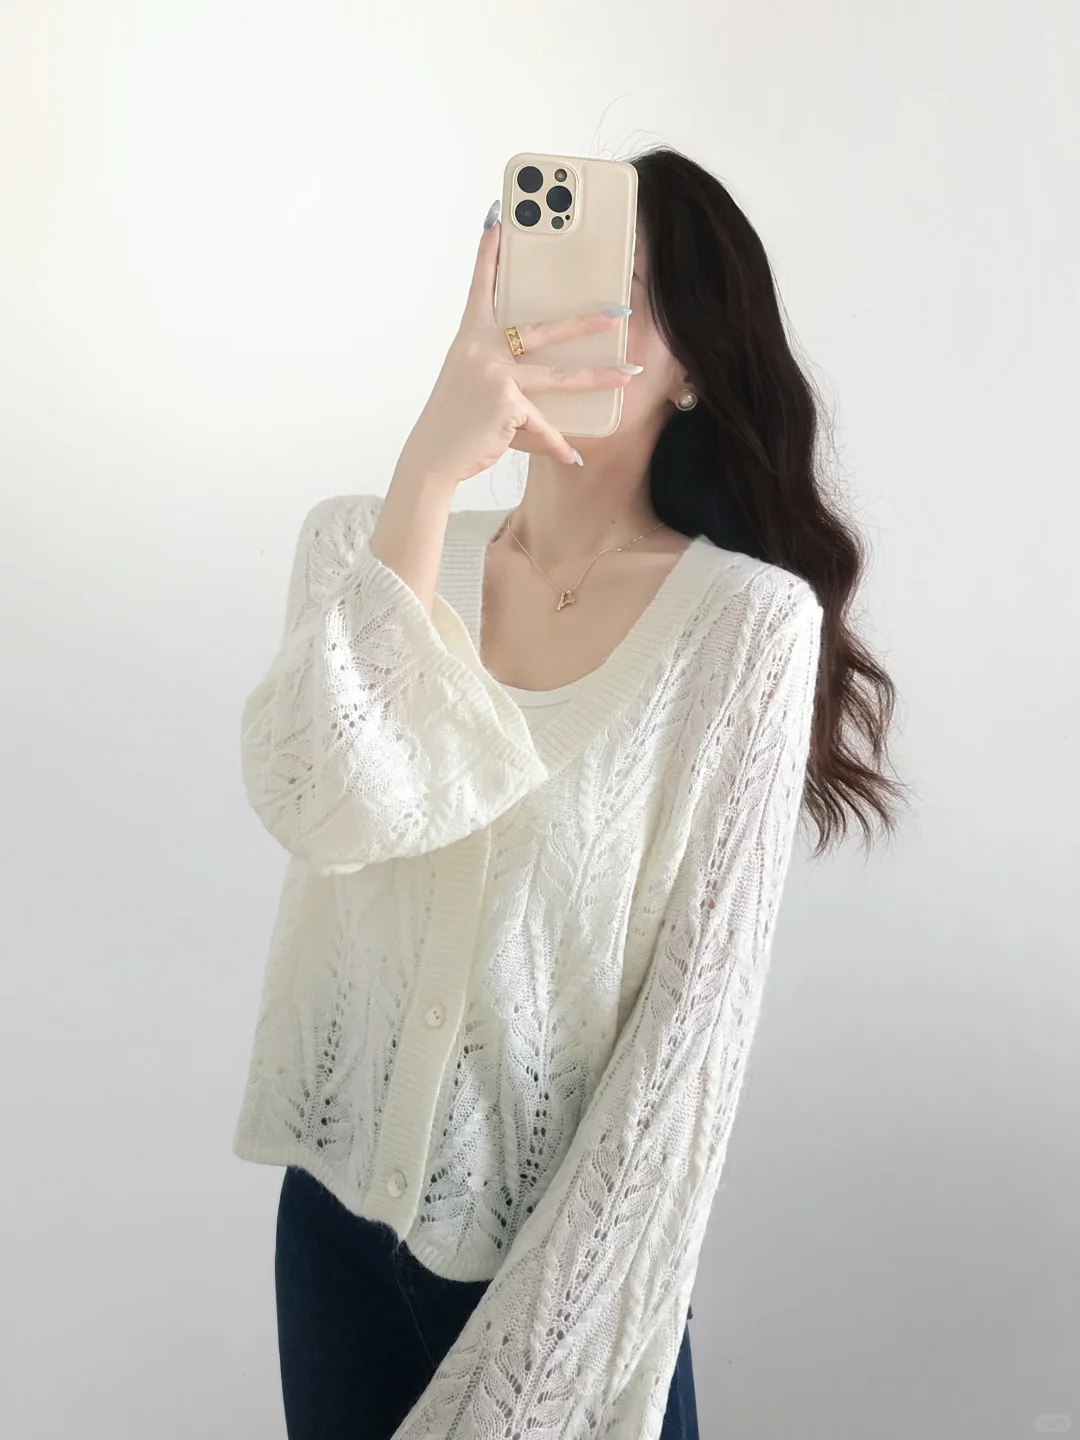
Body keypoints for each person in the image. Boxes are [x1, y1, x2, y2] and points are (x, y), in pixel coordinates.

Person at [233, 146, 904, 1439]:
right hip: (331, 1248)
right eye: (549, 275)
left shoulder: (746, 631)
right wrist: (427, 472)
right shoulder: (362, 548)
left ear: (696, 364)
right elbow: (319, 805)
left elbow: (683, 1055)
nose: (571, 318)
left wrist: (529, 1380)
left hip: (580, 1285)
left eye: (626, 293)